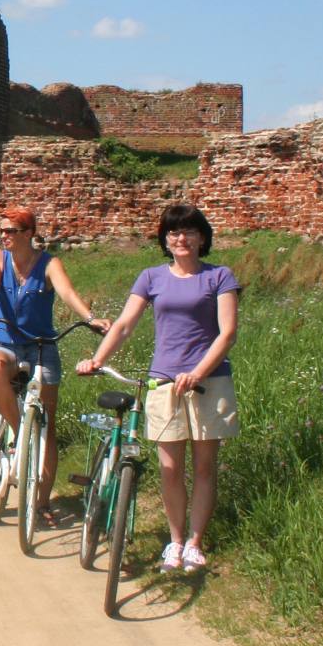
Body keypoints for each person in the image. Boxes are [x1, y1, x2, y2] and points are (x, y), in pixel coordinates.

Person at [77, 203, 240, 572]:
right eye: (173, 232)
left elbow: (227, 333)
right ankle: (175, 541)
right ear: (165, 240)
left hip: (208, 382)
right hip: (164, 382)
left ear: (202, 238)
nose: (180, 239)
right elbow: (123, 325)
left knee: (203, 468)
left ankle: (195, 543)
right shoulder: (151, 277)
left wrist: (198, 372)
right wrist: (97, 359)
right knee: (169, 467)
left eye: (188, 232)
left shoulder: (219, 277)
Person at [0, 207, 108, 526]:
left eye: (11, 231)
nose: (4, 236)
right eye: (2, 231)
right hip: (3, 339)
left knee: (47, 424)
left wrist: (90, 319)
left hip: (40, 345)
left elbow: (67, 293)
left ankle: (43, 500)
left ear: (28, 233)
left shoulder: (50, 264)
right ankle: (21, 430)